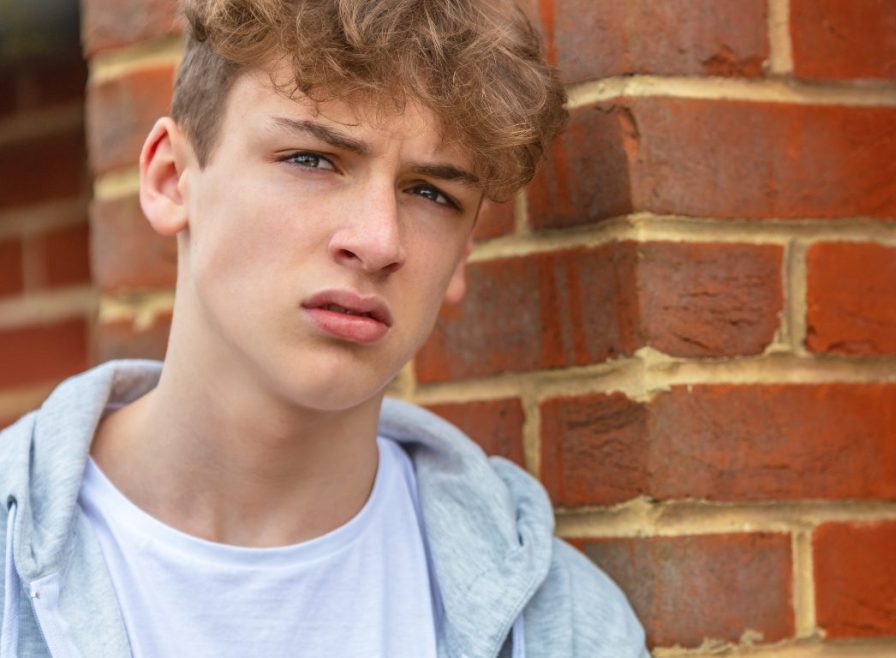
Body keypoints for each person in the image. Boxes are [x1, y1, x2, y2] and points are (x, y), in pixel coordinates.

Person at [0, 0, 647, 656]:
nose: (378, 242)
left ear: (462, 256)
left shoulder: (565, 624)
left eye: (432, 194)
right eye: (312, 159)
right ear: (171, 180)